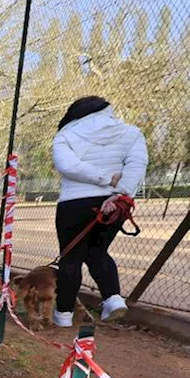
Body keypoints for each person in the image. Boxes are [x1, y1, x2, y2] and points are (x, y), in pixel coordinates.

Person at [50, 95, 148, 326]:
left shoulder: (66, 134)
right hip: (113, 203)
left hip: (74, 202)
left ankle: (63, 314)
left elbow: (66, 165)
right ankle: (113, 299)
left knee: (71, 257)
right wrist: (120, 193)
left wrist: (104, 178)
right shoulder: (131, 132)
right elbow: (137, 165)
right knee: (97, 252)